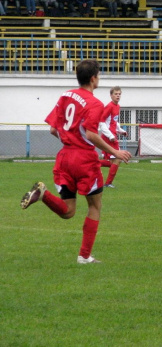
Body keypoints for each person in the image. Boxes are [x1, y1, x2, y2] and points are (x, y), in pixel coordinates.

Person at [20, 60, 132, 264]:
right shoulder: (95, 103)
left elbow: (53, 129)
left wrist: (69, 141)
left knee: (68, 211)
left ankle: (43, 193)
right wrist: (115, 151)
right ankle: (84, 256)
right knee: (95, 206)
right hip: (84, 159)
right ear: (93, 78)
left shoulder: (65, 96)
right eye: (98, 75)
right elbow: (90, 134)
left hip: (64, 157)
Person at [99, 86, 128, 188]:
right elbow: (101, 122)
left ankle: (94, 163)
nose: (118, 96)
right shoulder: (109, 106)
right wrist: (110, 136)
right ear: (111, 95)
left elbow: (114, 122)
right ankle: (108, 183)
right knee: (117, 159)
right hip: (109, 137)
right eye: (116, 94)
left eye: (119, 94)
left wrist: (121, 131)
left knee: (114, 162)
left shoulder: (117, 106)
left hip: (113, 136)